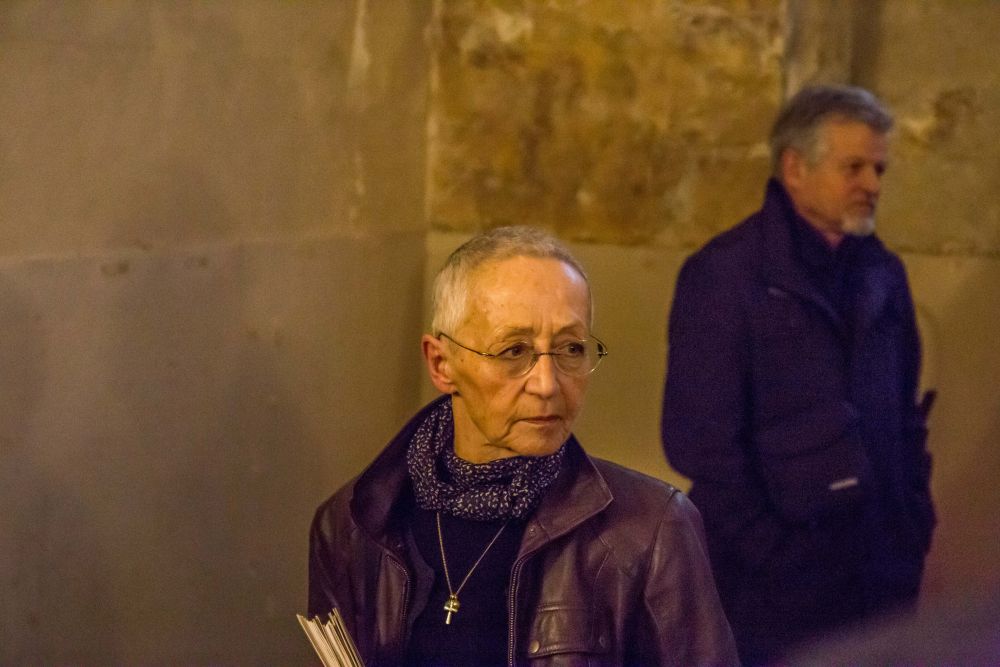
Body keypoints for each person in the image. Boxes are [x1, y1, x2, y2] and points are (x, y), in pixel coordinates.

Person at [309, 226, 738, 666]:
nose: (548, 385)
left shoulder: (650, 530)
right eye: (514, 351)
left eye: (571, 349)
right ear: (441, 363)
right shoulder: (352, 525)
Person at [660, 84, 936, 665]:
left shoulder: (883, 274)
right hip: (768, 596)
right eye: (853, 167)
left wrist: (911, 526)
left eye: (879, 169)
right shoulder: (726, 276)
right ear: (795, 168)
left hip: (878, 581)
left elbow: (903, 419)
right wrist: (777, 555)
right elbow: (700, 442)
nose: (872, 184)